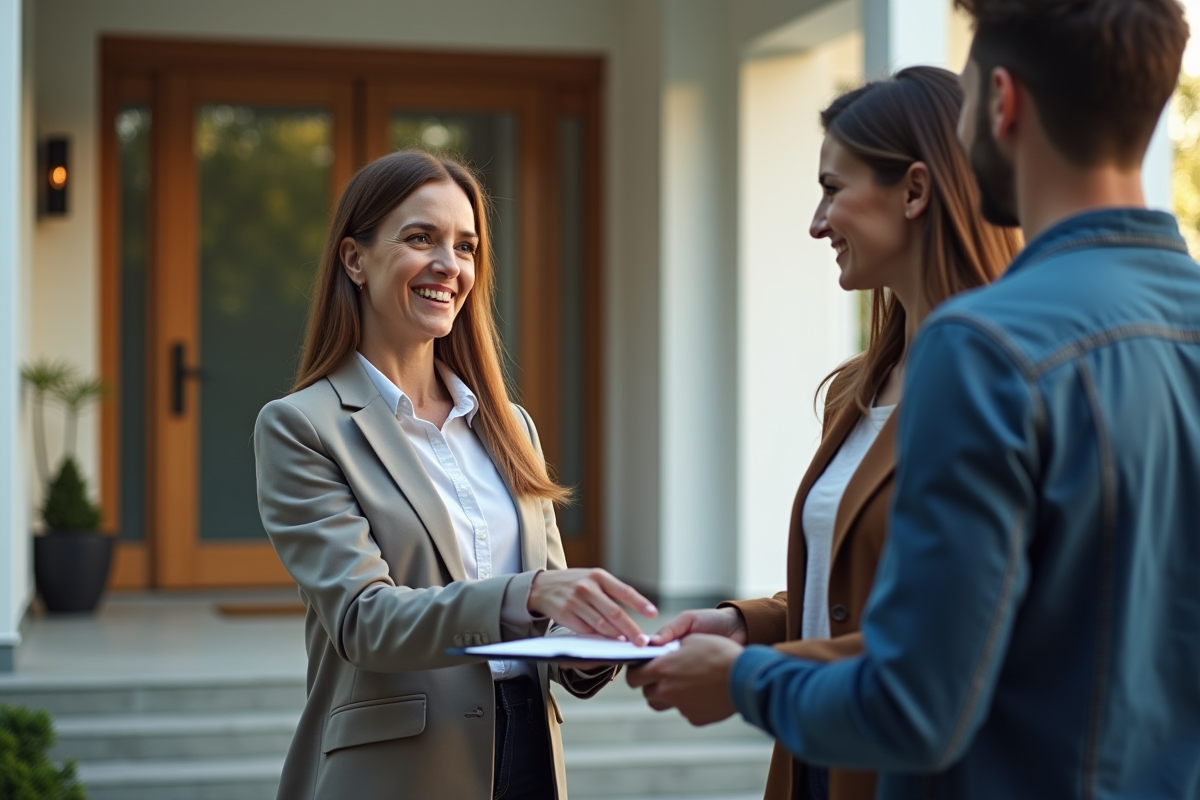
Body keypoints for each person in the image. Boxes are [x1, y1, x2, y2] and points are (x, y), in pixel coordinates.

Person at [631, 1, 1200, 799]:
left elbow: (916, 701)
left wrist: (743, 680)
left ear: (1002, 101)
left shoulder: (984, 348)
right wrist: (752, 628)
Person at [640, 67, 1019, 800]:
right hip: (814, 762)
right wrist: (747, 625)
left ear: (914, 191)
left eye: (832, 189)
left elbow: (961, 638)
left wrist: (750, 675)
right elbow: (856, 589)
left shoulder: (1008, 385)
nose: (817, 223)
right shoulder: (856, 389)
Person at [254, 150, 656, 800]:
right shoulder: (302, 426)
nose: (450, 265)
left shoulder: (510, 425)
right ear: (354, 259)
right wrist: (530, 594)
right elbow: (364, 621)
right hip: (397, 772)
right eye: (421, 238)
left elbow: (547, 609)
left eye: (466, 246)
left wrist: (587, 645)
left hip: (528, 753)